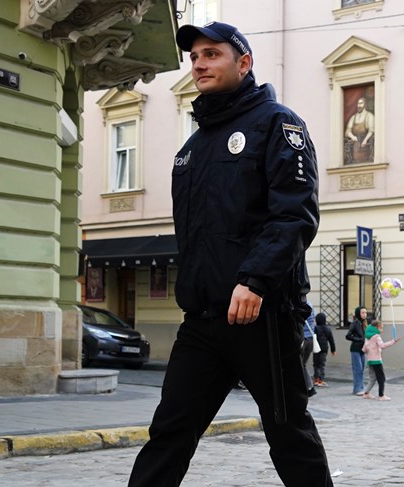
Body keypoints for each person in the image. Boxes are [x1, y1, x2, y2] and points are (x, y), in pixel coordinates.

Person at [128, 21, 333, 486]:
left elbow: (295, 214)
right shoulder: (192, 147)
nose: (199, 63)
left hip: (262, 316)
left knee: (288, 433)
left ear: (243, 63)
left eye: (212, 54)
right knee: (170, 431)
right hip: (202, 320)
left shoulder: (278, 124)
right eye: (195, 56)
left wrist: (257, 279)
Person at [361, 320, 398, 401]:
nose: (382, 329)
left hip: (370, 360)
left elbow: (364, 349)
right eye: (381, 327)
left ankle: (366, 393)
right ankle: (381, 395)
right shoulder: (376, 336)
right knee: (381, 378)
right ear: (376, 327)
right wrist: (393, 341)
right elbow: (382, 345)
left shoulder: (368, 336)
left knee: (372, 378)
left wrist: (369, 352)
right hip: (377, 360)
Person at [345, 306, 368, 395]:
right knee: (357, 369)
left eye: (366, 312)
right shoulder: (354, 323)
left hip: (363, 349)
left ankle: (361, 387)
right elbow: (348, 336)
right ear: (358, 313)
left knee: (362, 369)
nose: (365, 314)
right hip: (355, 349)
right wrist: (358, 339)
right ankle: (357, 389)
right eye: (363, 312)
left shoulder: (365, 323)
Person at [344, 97, 375, 164]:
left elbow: (371, 130)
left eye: (361, 103)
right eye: (358, 103)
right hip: (355, 141)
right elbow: (348, 130)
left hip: (365, 141)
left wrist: (365, 140)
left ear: (365, 104)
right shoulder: (353, 117)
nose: (359, 105)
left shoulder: (369, 116)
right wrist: (353, 137)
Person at [313, 312, 336, 387]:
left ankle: (316, 379)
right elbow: (331, 340)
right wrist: (333, 350)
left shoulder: (315, 328)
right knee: (322, 364)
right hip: (324, 349)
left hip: (316, 349)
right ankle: (321, 380)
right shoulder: (328, 329)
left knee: (316, 364)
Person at [302, 302, 317, 397]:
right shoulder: (310, 305)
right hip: (311, 338)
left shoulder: (300, 304)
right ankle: (309, 387)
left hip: (303, 339)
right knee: (302, 364)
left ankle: (308, 388)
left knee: (299, 364)